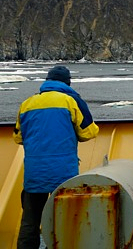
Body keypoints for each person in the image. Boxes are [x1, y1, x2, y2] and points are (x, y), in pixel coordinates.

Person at [13, 65, 100, 249]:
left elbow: (18, 137)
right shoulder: (71, 101)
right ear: (67, 82)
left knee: (30, 221)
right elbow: (89, 133)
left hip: (34, 174)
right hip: (63, 173)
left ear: (47, 81)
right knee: (63, 220)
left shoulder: (27, 103)